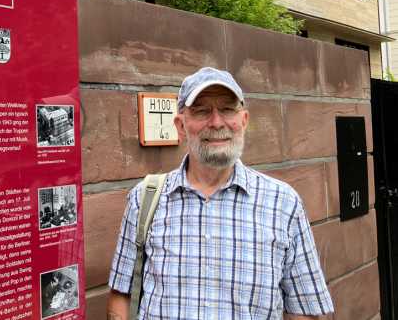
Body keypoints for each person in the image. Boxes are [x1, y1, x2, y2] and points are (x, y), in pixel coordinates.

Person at [107, 67, 333, 320]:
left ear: (244, 121)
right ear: (181, 126)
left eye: (227, 109)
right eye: (202, 110)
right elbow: (121, 296)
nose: (216, 122)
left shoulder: (284, 203)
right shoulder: (144, 199)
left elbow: (305, 310)